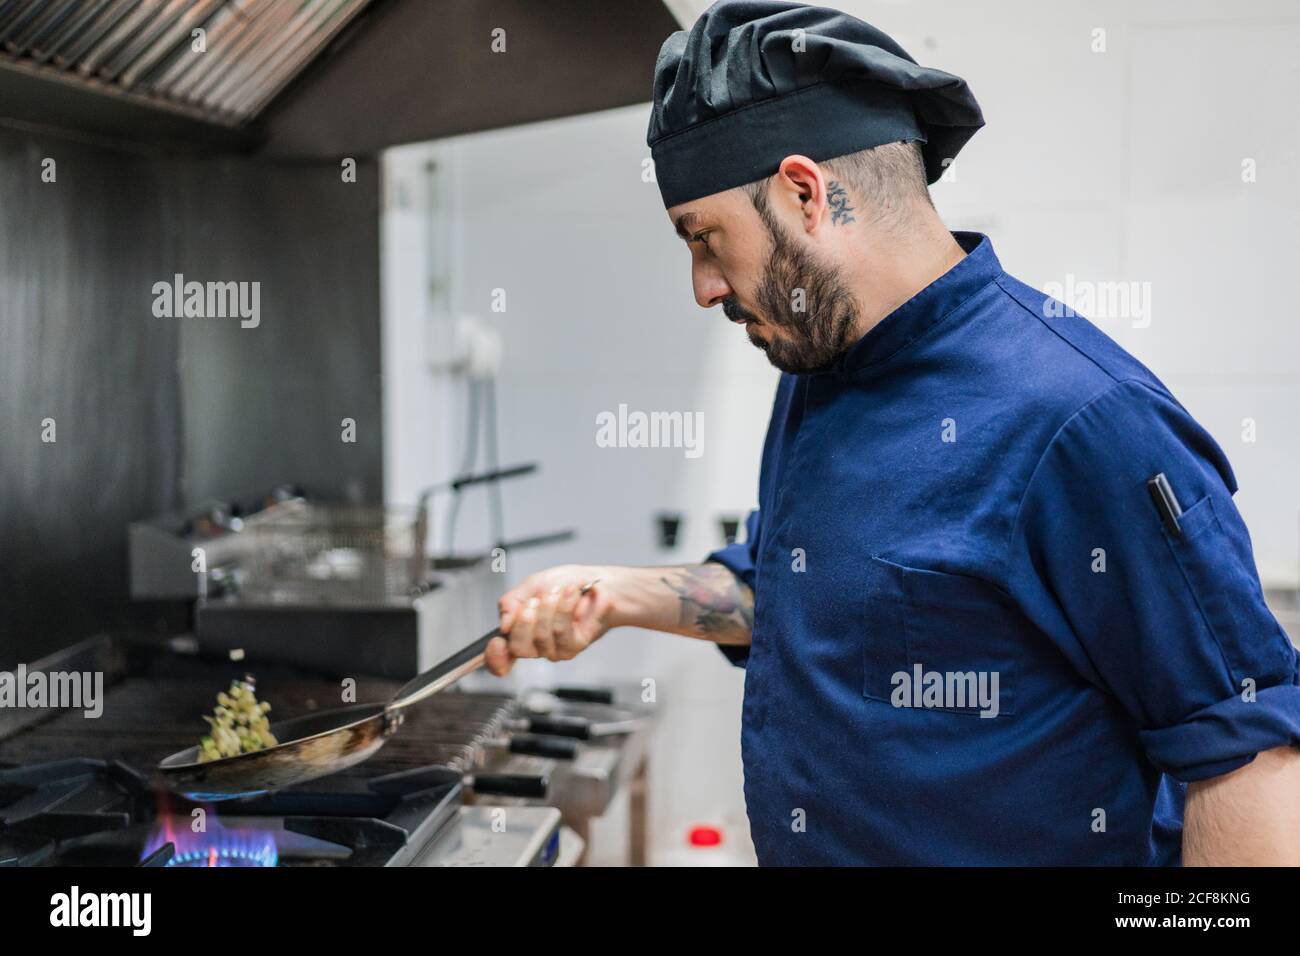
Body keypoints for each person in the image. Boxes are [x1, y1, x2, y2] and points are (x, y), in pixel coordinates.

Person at [486, 0, 1300, 865]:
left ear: (806, 193)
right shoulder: (821, 373)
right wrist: (615, 597)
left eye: (707, 240)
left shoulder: (1083, 419)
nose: (704, 287)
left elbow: (1245, 754)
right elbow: (796, 594)